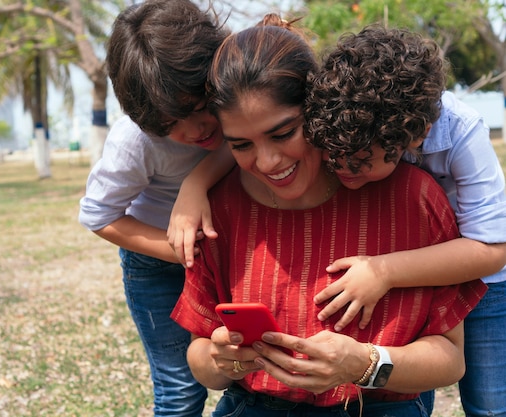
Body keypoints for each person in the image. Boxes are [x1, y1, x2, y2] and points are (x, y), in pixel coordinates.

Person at [170, 15, 487, 416]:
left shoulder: (414, 197)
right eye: (240, 145)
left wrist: (365, 364)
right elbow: (201, 359)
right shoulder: (217, 210)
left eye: (283, 133)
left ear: (319, 109)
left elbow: (450, 359)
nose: (267, 162)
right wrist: (224, 359)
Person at [304, 25, 506, 417]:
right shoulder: (345, 124)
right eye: (334, 156)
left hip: (480, 284)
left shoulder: (462, 131)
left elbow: (493, 249)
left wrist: (384, 271)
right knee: (409, 385)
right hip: (399, 275)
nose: (344, 170)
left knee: (490, 403)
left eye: (362, 163)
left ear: (416, 136)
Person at [78, 1, 229, 415]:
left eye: (200, 107)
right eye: (170, 123)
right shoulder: (136, 142)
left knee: (247, 373)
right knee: (180, 387)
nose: (194, 129)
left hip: (233, 252)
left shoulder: (238, 89)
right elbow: (98, 215)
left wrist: (195, 184)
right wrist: (175, 249)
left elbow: (244, 144)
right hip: (159, 267)